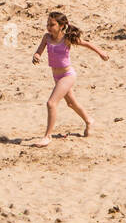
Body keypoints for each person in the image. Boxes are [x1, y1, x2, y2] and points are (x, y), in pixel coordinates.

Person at [28, 11, 108, 147]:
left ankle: (47, 136)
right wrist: (36, 56)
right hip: (56, 76)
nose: (49, 27)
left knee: (51, 103)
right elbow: (39, 51)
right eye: (48, 24)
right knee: (71, 103)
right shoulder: (46, 37)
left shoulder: (67, 38)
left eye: (52, 24)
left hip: (67, 75)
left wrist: (101, 53)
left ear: (61, 26)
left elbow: (86, 44)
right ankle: (89, 120)